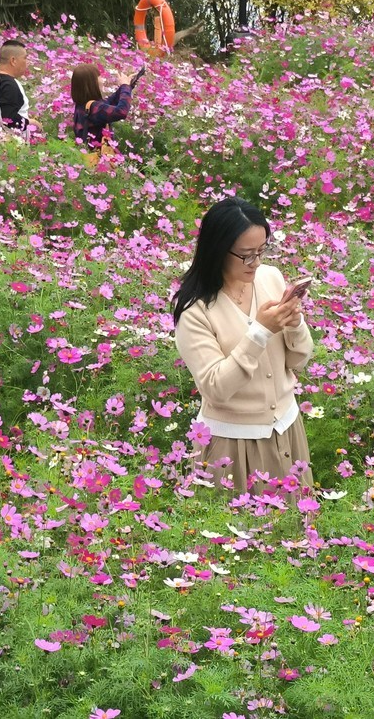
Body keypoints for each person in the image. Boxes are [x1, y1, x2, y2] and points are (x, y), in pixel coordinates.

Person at [172, 198, 315, 495]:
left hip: (287, 429)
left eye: (261, 251)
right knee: (238, 534)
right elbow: (215, 388)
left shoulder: (270, 278)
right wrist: (260, 332)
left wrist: (294, 324)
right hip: (232, 444)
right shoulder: (195, 310)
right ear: (217, 251)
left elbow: (298, 360)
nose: (257, 263)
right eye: (247, 255)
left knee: (295, 530)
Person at [70, 62, 144, 157]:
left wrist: (128, 86)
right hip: (100, 159)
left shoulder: (83, 104)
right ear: (92, 83)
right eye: (99, 77)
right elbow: (121, 111)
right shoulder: (93, 108)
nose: (102, 80)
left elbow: (108, 103)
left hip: (91, 157)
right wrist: (124, 87)